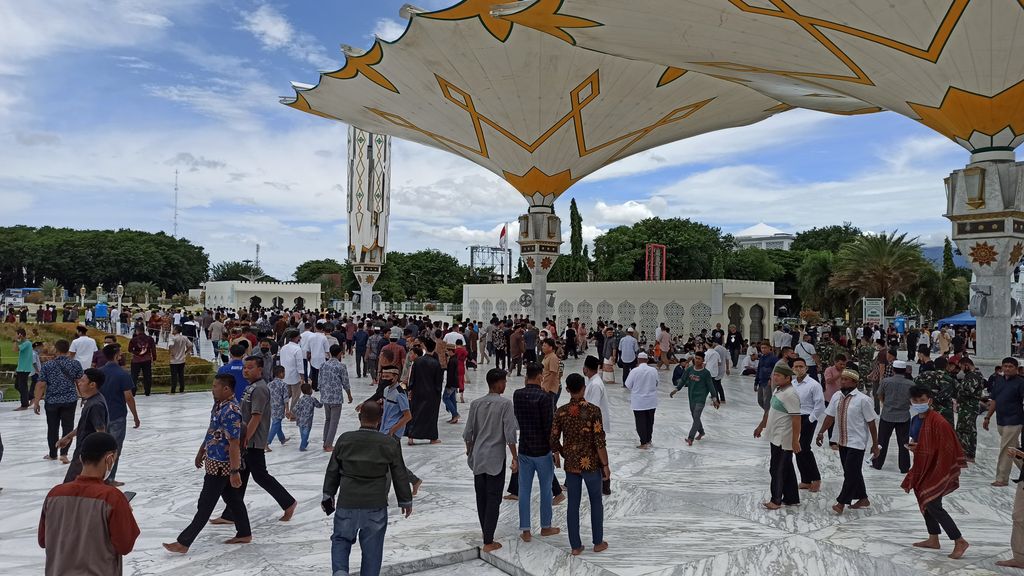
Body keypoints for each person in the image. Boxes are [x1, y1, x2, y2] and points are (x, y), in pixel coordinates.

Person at [322, 400, 413, 576]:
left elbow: (333, 470)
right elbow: (399, 473)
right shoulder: (388, 443)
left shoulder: (345, 439)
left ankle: (340, 572)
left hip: (347, 503)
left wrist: (328, 495)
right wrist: (405, 500)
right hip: (375, 505)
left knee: (341, 540)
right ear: (380, 420)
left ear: (359, 417)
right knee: (373, 550)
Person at [164, 374, 251, 553]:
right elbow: (212, 430)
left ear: (226, 389)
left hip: (222, 466)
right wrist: (201, 450)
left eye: (215, 386)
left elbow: (234, 443)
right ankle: (244, 533)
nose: (212, 389)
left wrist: (235, 471)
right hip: (213, 461)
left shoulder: (231, 411)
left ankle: (184, 542)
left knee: (205, 503)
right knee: (233, 499)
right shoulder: (219, 405)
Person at [212, 356, 297, 527]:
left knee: (260, 476)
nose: (246, 370)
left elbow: (256, 417)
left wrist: (244, 439)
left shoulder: (260, 389)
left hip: (253, 441)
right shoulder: (251, 387)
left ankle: (288, 503)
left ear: (260, 370)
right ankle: (231, 513)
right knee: (241, 476)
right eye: (245, 367)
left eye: (250, 367)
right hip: (248, 440)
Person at [39, 432, 140, 575]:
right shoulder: (112, 498)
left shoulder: (54, 494)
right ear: (109, 458)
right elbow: (125, 545)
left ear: (81, 458)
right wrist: (125, 512)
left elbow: (43, 540)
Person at [901, 385, 970, 559]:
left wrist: (922, 448)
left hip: (938, 468)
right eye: (915, 401)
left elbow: (948, 447)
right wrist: (915, 447)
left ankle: (959, 540)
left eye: (922, 400)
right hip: (922, 466)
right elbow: (916, 439)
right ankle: (933, 538)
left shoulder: (939, 422)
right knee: (925, 501)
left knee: (933, 504)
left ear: (929, 400)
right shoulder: (915, 420)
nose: (919, 403)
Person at [551, 373, 610, 556]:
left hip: (572, 466)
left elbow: (553, 439)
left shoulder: (561, 412)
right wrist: (605, 464)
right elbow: (599, 441)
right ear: (584, 388)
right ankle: (598, 542)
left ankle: (575, 546)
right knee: (596, 502)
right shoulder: (593, 411)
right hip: (591, 465)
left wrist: (563, 452)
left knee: (573, 505)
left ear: (568, 389)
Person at [464, 368, 518, 552]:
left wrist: (469, 452)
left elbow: (468, 433)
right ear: (498, 383)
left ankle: (485, 532)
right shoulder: (505, 404)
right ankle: (488, 540)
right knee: (494, 498)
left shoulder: (476, 404)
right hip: (495, 458)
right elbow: (510, 434)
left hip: (479, 457)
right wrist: (515, 457)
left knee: (481, 497)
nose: (505, 385)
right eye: (504, 382)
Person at [817, 369, 879, 514]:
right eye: (842, 379)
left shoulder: (863, 400)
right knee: (852, 471)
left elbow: (871, 423)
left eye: (846, 380)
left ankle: (841, 502)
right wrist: (821, 432)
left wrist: (875, 444)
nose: (842, 382)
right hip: (842, 441)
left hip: (857, 442)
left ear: (855, 383)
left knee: (851, 473)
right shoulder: (836, 396)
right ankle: (863, 498)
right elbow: (830, 416)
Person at [514, 361, 561, 541]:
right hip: (542, 450)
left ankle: (526, 530)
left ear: (527, 376)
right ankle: (545, 526)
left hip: (525, 449)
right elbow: (549, 427)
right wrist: (555, 450)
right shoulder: (545, 397)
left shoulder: (517, 395)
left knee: (524, 490)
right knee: (546, 490)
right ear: (540, 376)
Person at [754, 361, 802, 510]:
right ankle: (792, 498)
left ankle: (776, 500)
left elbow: (796, 419)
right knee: (786, 468)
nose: (775, 377)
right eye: (774, 375)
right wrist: (761, 426)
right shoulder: (778, 390)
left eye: (778, 375)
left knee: (777, 469)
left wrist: (795, 441)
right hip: (775, 437)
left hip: (784, 439)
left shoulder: (791, 394)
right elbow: (770, 411)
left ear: (788, 378)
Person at [33, 339, 83, 464]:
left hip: (52, 401)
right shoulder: (75, 364)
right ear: (68, 349)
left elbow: (41, 385)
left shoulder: (48, 365)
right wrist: (84, 397)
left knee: (52, 428)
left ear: (56, 349)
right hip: (70, 400)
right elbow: (80, 382)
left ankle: (53, 454)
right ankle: (64, 454)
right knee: (68, 427)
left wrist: (36, 401)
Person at [98, 344, 141, 486]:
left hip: (101, 416)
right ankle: (109, 478)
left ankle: (98, 477)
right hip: (117, 416)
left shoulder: (99, 373)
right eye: (120, 353)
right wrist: (135, 416)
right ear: (116, 355)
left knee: (100, 448)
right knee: (114, 449)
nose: (121, 355)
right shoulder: (123, 374)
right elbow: (128, 397)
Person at [61, 368, 109, 483]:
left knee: (71, 485)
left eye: (83, 381)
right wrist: (68, 437)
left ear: (92, 385)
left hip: (87, 456)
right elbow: (85, 424)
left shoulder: (95, 405)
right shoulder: (92, 401)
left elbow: (101, 432)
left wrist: (98, 459)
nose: (79, 383)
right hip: (82, 452)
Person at [984, 357, 1024, 487]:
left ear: (1016, 369)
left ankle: (1001, 478)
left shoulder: (1021, 383)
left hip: (1014, 420)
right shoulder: (999, 381)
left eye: (1010, 366)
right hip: (1001, 420)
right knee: (1014, 449)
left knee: (1006, 449)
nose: (1007, 368)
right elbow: (994, 400)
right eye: (1005, 366)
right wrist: (987, 417)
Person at [670, 351, 721, 446]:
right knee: (695, 417)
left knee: (696, 416)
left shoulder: (706, 373)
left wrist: (715, 399)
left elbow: (711, 386)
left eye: (699, 359)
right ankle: (701, 432)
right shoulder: (689, 370)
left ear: (703, 360)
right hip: (691, 397)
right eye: (696, 358)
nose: (697, 360)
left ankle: (690, 438)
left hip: (701, 398)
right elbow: (683, 380)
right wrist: (676, 389)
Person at [873, 359, 914, 473]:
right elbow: (912, 400)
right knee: (904, 443)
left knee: (882, 441)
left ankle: (877, 463)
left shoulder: (886, 381)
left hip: (887, 415)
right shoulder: (911, 384)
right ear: (904, 370)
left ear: (893, 370)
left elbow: (879, 395)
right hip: (904, 416)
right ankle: (904, 467)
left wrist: (885, 403)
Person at [791, 357, 823, 491]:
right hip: (794, 417)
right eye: (796, 367)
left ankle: (816, 478)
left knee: (804, 447)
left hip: (808, 417)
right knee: (796, 448)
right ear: (792, 369)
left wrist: (810, 419)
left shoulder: (813, 384)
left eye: (801, 366)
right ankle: (805, 480)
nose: (798, 369)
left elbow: (820, 405)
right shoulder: (792, 384)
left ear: (806, 368)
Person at [407, 340, 444, 445]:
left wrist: (410, 389)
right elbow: (438, 381)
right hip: (432, 393)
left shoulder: (417, 361)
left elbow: (412, 377)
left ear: (425, 348)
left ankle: (411, 436)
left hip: (417, 391)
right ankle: (432, 438)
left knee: (415, 413)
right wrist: (438, 391)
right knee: (431, 415)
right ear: (434, 348)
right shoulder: (436, 363)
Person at [319, 344, 353, 451]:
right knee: (334, 422)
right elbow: (345, 382)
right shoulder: (341, 366)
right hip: (336, 398)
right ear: (340, 353)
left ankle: (325, 441)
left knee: (328, 420)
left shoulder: (323, 365)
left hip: (325, 397)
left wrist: (323, 393)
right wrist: (349, 395)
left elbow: (319, 382)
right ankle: (328, 444)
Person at [624, 352, 659, 449]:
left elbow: (628, 385)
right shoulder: (653, 370)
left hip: (639, 402)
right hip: (651, 401)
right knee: (649, 422)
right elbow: (656, 383)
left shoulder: (634, 371)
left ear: (638, 360)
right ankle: (648, 440)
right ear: (647, 360)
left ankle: (643, 442)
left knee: (640, 422)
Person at [955, 356, 986, 463]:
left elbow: (968, 391)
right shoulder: (973, 375)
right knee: (963, 428)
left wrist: (957, 389)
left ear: (966, 365)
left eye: (962, 367)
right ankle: (963, 452)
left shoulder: (973, 376)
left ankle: (968, 453)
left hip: (969, 406)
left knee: (968, 429)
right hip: (966, 406)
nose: (961, 370)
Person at [279, 329, 306, 415]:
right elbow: (299, 364)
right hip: (295, 376)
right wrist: (302, 377)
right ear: (296, 337)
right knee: (296, 396)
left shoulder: (283, 348)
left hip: (284, 375)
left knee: (286, 395)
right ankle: (292, 413)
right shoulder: (297, 349)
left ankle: (281, 409)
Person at [267, 366, 292, 447]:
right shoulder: (283, 385)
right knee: (276, 423)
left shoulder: (269, 384)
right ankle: (267, 442)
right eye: (284, 372)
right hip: (279, 407)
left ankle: (282, 439)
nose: (284, 374)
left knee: (277, 422)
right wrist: (287, 410)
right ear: (281, 373)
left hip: (271, 406)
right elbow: (286, 398)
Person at [128, 324, 156, 397]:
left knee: (134, 376)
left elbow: (129, 349)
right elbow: (153, 349)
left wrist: (136, 353)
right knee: (147, 375)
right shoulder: (150, 339)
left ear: (137, 331)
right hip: (147, 359)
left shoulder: (134, 339)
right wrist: (154, 358)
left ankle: (133, 391)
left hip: (136, 360)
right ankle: (147, 391)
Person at [754, 342, 779, 413]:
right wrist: (756, 382)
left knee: (767, 401)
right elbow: (759, 370)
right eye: (762, 348)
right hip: (761, 382)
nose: (763, 349)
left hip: (768, 382)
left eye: (765, 348)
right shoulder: (762, 358)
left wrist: (771, 379)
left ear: (769, 348)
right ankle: (769, 412)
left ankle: (767, 414)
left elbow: (776, 370)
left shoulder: (773, 358)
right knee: (760, 400)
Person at [167, 326, 191, 396]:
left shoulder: (172, 338)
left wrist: (171, 353)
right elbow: (190, 345)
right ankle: (182, 389)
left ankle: (173, 390)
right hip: (182, 359)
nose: (172, 330)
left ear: (176, 330)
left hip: (174, 360)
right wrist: (185, 352)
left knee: (174, 376)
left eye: (174, 329)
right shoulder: (184, 338)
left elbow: (170, 345)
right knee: (181, 375)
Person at [13, 327, 33, 410]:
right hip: (21, 368)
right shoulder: (23, 343)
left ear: (20, 335)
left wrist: (15, 340)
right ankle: (31, 396)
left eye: (16, 334)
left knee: (22, 386)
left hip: (24, 368)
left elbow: (15, 349)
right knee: (17, 385)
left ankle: (24, 405)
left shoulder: (27, 343)